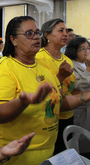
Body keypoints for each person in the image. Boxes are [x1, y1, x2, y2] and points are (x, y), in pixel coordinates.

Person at [0, 16, 90, 165]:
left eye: (37, 33)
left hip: (47, 152)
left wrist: (86, 96)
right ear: (13, 39)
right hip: (16, 154)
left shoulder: (43, 66)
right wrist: (23, 102)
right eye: (29, 33)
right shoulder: (3, 68)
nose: (36, 37)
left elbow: (58, 102)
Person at [36, 18, 76, 155]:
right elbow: (41, 91)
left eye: (66, 31)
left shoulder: (67, 60)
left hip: (68, 115)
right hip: (50, 119)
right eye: (60, 31)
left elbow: (71, 89)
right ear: (47, 35)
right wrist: (61, 76)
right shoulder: (40, 58)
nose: (66, 34)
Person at [65, 37, 90, 154]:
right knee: (82, 143)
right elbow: (80, 86)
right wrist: (89, 68)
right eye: (82, 49)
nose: (87, 52)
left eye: (88, 48)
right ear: (73, 51)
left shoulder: (85, 64)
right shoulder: (71, 65)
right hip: (81, 110)